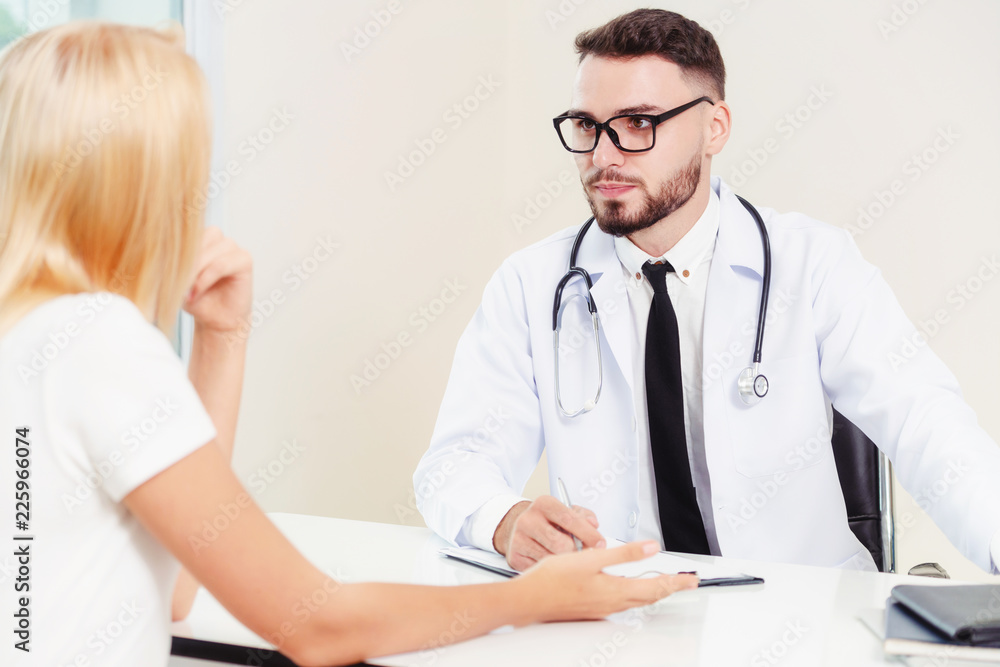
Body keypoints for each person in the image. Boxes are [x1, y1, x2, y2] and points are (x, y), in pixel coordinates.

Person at [0, 21, 698, 667]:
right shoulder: (100, 342)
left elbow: (177, 578)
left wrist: (222, 337)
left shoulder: (35, 331)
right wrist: (534, 598)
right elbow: (316, 623)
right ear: (135, 183)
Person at [414, 8, 1000, 574]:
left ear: (714, 128)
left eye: (639, 123)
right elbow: (453, 465)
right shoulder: (531, 286)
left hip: (799, 618)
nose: (602, 155)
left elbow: (929, 426)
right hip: (620, 617)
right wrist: (504, 519)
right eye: (588, 126)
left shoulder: (813, 264)